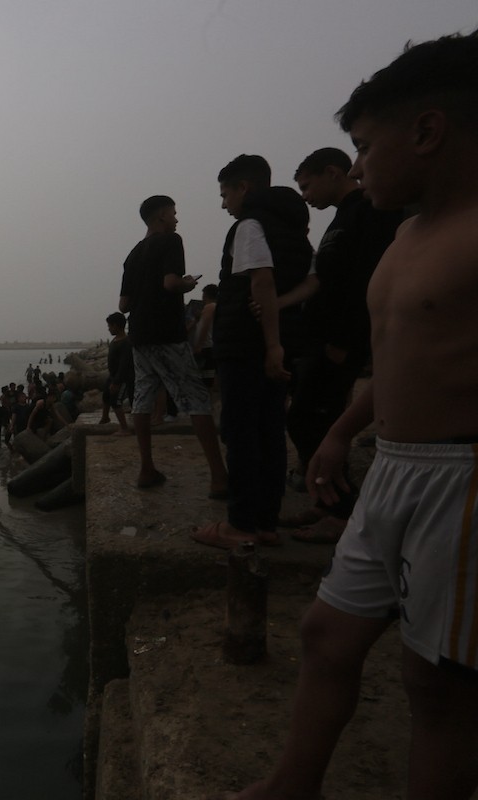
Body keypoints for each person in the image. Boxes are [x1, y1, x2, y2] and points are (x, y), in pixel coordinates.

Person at [229, 31, 478, 800]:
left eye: (367, 147)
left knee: (435, 685)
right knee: (327, 635)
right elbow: (396, 357)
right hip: (394, 466)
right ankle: (291, 787)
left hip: (463, 481)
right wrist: (341, 433)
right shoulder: (404, 237)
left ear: (427, 131)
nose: (360, 167)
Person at [192, 156, 313, 549]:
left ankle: (240, 524)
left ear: (244, 188)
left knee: (242, 434)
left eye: (225, 193)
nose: (224, 203)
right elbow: (313, 281)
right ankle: (265, 522)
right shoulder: (294, 229)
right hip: (280, 342)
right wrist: (279, 324)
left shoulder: (249, 226)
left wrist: (271, 341)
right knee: (270, 432)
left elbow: (261, 279)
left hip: (246, 346)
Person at [282, 146, 402, 543]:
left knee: (309, 419)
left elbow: (365, 282)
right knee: (308, 418)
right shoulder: (341, 218)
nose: (304, 195)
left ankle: (340, 510)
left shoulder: (369, 213)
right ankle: (328, 502)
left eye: (306, 185)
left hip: (338, 342)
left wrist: (343, 342)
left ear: (333, 173)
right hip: (321, 339)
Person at [118, 195, 230, 495]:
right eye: (174, 213)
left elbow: (124, 304)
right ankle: (219, 477)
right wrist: (188, 283)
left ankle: (147, 469)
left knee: (142, 397)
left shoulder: (132, 254)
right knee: (196, 398)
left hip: (139, 334)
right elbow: (170, 283)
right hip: (166, 331)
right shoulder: (171, 241)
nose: (177, 219)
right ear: (162, 216)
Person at [103, 312, 134, 434]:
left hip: (122, 378)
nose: (108, 329)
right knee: (106, 396)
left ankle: (124, 428)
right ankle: (105, 417)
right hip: (112, 375)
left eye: (110, 326)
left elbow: (124, 364)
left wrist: (117, 382)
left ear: (116, 326)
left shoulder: (126, 343)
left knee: (115, 401)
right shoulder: (115, 340)